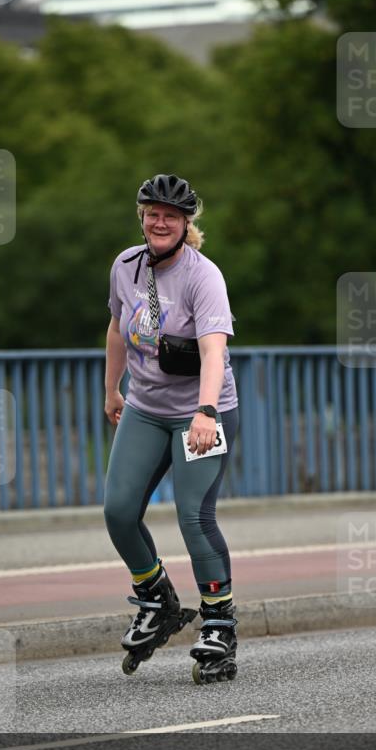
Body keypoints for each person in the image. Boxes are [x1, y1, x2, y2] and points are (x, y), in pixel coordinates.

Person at [103, 173, 239, 684]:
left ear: (186, 224)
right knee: (118, 511)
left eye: (172, 216)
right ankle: (156, 598)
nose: (160, 222)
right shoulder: (125, 265)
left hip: (202, 410)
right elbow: (118, 327)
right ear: (142, 217)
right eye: (152, 213)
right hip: (145, 406)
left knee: (193, 516)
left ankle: (220, 624)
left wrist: (206, 412)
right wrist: (112, 390)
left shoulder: (205, 277)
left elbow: (213, 350)